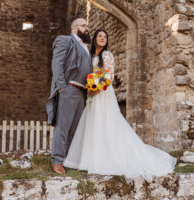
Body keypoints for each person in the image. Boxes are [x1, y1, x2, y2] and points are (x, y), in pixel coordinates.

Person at [63, 29, 176, 181]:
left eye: (105, 36)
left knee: (106, 123)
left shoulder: (107, 55)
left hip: (102, 93)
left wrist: (96, 88)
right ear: (95, 39)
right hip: (92, 93)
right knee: (93, 123)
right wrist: (89, 88)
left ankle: (108, 159)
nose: (102, 38)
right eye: (99, 36)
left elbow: (109, 76)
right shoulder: (91, 56)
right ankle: (91, 158)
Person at [46, 18, 93, 174]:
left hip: (82, 93)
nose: (87, 28)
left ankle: (68, 159)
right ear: (74, 28)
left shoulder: (86, 47)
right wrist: (62, 87)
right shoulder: (65, 40)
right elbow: (57, 63)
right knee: (63, 126)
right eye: (84, 26)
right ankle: (57, 161)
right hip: (69, 89)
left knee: (75, 128)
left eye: (88, 26)